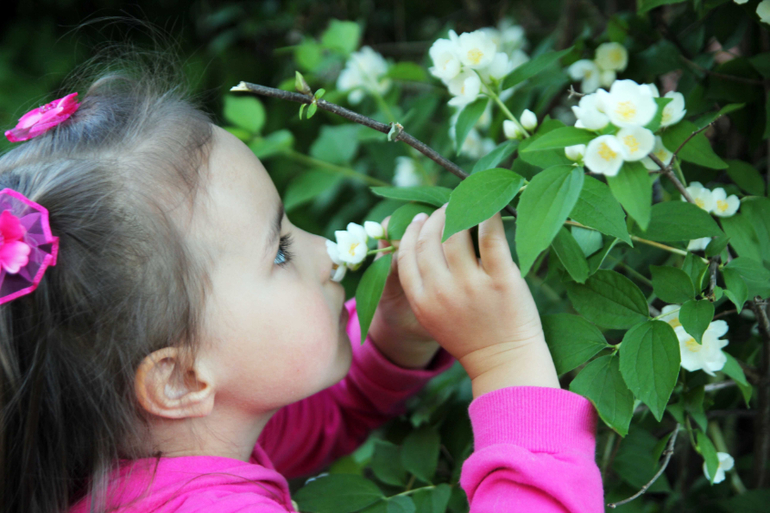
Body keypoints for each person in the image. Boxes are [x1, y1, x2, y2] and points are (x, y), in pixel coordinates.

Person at [0, 52, 603, 513]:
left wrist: (394, 345)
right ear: (181, 379)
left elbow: (309, 427)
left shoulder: (144, 461)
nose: (323, 251)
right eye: (281, 252)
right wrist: (507, 361)